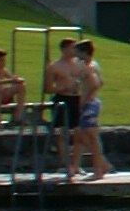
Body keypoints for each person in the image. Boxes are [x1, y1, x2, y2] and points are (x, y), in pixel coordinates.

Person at [41, 39, 86, 177]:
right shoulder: (54, 66)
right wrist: (63, 88)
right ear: (64, 49)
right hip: (62, 98)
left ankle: (77, 165)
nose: (75, 51)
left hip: (77, 98)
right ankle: (66, 164)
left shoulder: (80, 64)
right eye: (72, 48)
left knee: (80, 133)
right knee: (62, 133)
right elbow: (47, 88)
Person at [70, 38, 112, 180]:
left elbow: (95, 84)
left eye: (77, 51)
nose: (75, 54)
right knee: (80, 136)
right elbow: (101, 82)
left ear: (83, 52)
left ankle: (99, 170)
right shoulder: (93, 64)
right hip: (92, 102)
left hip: (89, 104)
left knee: (92, 137)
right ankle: (102, 164)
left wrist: (85, 99)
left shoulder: (89, 67)